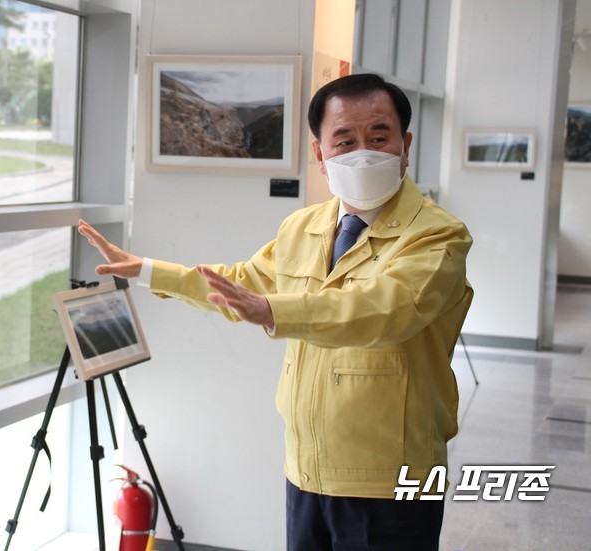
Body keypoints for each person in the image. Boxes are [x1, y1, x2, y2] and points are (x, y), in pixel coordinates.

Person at [77, 73, 473, 550]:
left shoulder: (437, 236)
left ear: (405, 145)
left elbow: (383, 310)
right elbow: (240, 285)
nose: (362, 152)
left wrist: (270, 311)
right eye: (344, 140)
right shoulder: (303, 227)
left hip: (394, 477)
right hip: (307, 468)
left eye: (379, 136)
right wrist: (148, 271)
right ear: (320, 154)